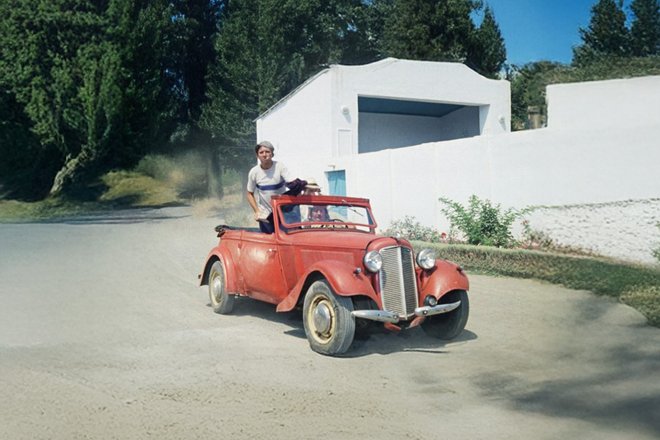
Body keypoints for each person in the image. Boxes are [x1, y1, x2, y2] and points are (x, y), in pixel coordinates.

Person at [246, 141, 303, 233]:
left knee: (287, 237)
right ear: (257, 156)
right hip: (265, 214)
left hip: (282, 212)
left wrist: (301, 185)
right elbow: (249, 193)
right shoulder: (254, 172)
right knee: (268, 241)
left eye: (267, 152)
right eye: (261, 152)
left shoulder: (280, 167)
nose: (264, 155)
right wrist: (257, 211)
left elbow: (290, 181)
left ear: (272, 154)